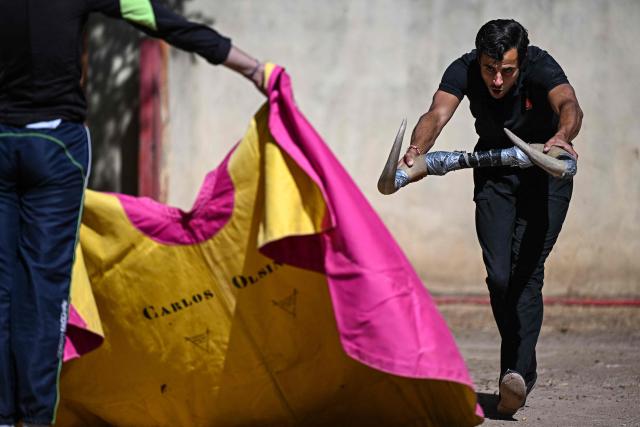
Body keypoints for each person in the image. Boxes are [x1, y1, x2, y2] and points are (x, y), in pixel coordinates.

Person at [0, 1, 265, 426]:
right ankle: (32, 419)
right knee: (43, 291)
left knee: (5, 290)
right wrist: (253, 68)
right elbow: (158, 19)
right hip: (55, 148)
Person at [402, 19, 583, 416]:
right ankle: (518, 372)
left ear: (521, 62)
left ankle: (515, 374)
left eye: (506, 71)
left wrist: (562, 136)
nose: (497, 80)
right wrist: (417, 147)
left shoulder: (541, 65)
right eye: (489, 69)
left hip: (546, 173)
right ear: (479, 59)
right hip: (495, 176)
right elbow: (437, 113)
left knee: (527, 273)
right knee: (500, 276)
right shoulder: (463, 68)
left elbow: (569, 105)